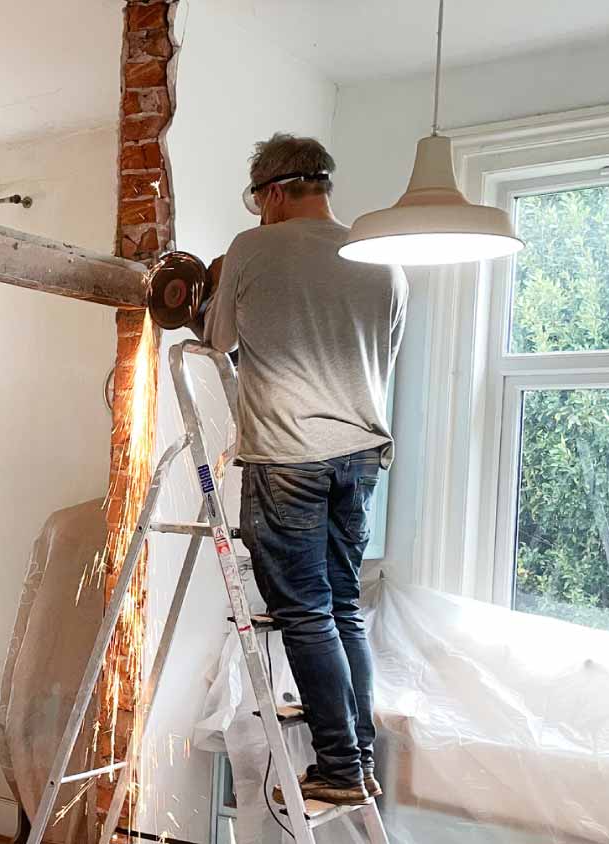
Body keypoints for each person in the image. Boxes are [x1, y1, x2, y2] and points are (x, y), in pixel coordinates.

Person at [204, 133, 407, 806]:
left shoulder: (253, 246)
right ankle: (358, 761)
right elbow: (381, 354)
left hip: (287, 454)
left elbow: (216, 342)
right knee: (342, 609)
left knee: (307, 615)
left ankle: (342, 767)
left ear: (271, 194)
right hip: (361, 459)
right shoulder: (383, 263)